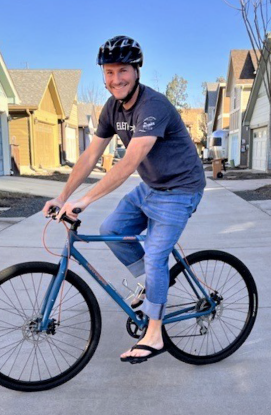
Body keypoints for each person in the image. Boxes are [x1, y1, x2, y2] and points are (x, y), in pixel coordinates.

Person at [42, 35, 206, 364]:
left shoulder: (153, 106)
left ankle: (155, 335)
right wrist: (62, 196)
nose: (115, 79)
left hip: (181, 189)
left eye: (122, 71)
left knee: (157, 255)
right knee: (112, 228)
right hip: (152, 187)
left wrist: (83, 202)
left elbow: (129, 162)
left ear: (136, 71)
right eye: (109, 72)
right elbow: (91, 154)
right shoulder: (112, 108)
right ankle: (151, 287)